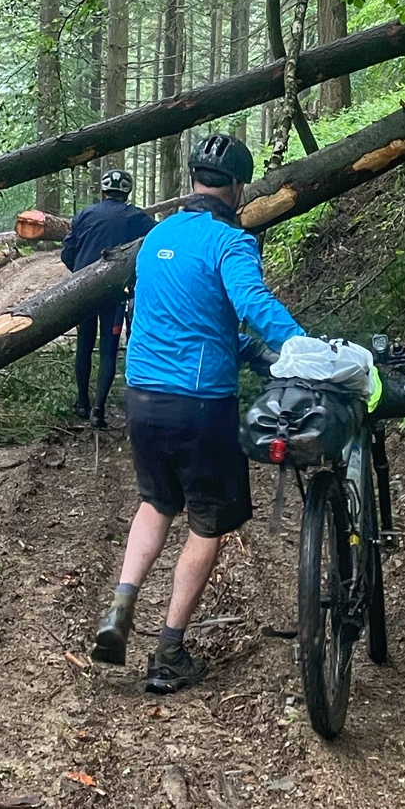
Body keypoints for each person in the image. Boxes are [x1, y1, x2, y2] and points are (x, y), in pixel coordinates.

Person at [90, 133, 305, 694]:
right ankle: (169, 651)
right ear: (236, 188)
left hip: (142, 398)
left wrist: (247, 349)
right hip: (200, 402)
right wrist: (302, 348)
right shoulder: (229, 242)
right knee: (207, 523)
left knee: (156, 501)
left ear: (193, 182)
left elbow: (188, 315)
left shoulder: (157, 236)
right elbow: (252, 304)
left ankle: (120, 608)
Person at [60, 168, 155, 428]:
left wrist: (81, 273)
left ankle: (82, 402)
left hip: (83, 290)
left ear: (103, 192)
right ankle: (98, 411)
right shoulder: (138, 218)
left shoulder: (84, 214)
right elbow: (155, 244)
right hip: (114, 293)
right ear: (127, 193)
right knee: (108, 350)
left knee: (84, 345)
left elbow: (67, 253)